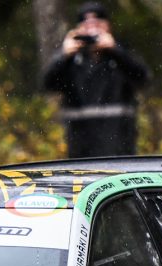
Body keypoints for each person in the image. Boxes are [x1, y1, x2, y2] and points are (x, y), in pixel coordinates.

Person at [41, 3, 149, 158]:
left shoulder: (120, 58)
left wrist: (115, 49)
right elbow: (48, 84)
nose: (92, 31)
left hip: (119, 150)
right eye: (86, 26)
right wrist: (63, 55)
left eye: (97, 24)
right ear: (77, 30)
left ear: (108, 27)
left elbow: (142, 78)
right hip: (81, 153)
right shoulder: (71, 62)